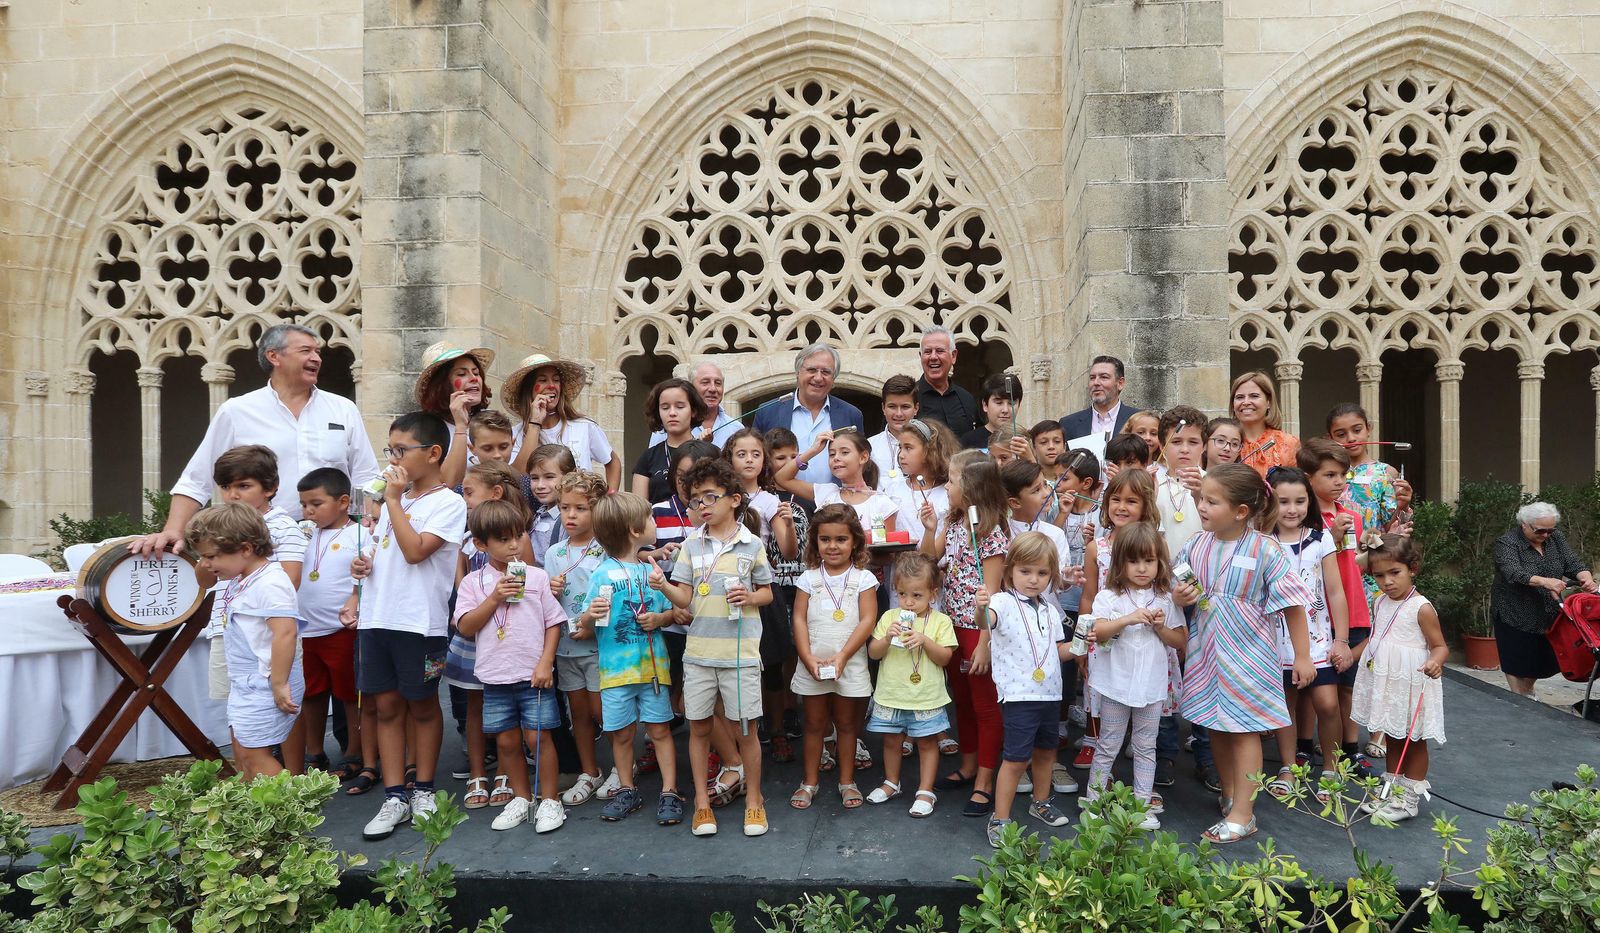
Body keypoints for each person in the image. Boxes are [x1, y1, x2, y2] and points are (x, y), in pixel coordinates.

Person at [136, 323, 378, 554]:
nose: (316, 358)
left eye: (317, 351)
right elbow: (197, 478)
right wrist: (173, 530)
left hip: (333, 540)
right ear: (274, 357)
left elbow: (365, 476)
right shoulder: (237, 410)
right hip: (258, 541)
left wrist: (371, 525)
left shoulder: (343, 408)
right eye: (305, 350)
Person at [1176, 463, 1314, 845]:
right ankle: (1231, 793)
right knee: (1216, 725)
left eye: (1211, 501)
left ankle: (1244, 814)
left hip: (1249, 655)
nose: (1201, 506)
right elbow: (1179, 584)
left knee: (1244, 730)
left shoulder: (1265, 549)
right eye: (1201, 499)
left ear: (1240, 511)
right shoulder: (1195, 544)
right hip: (1207, 651)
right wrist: (1179, 596)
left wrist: (1302, 656)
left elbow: (1293, 606)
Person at [350, 411, 468, 841]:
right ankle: (394, 794)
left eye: (401, 450)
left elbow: (418, 551)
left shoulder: (448, 502)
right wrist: (365, 565)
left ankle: (423, 789)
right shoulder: (391, 505)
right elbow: (392, 553)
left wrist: (394, 502)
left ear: (433, 453)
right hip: (377, 618)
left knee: (421, 704)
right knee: (384, 707)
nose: (393, 459)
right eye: (390, 450)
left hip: (420, 624)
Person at [652, 457, 776, 838]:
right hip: (699, 655)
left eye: (710, 497)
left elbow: (768, 593)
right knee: (698, 728)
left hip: (740, 655)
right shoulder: (691, 544)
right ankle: (702, 805)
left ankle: (754, 800)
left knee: (747, 730)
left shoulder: (751, 544)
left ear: (734, 499)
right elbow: (685, 600)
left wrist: (750, 596)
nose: (702, 505)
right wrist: (663, 586)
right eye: (694, 500)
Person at [454, 500, 568, 833]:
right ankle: (521, 797)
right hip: (495, 676)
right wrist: (494, 597)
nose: (514, 544)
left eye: (517, 535)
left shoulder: (536, 577)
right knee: (505, 742)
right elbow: (465, 626)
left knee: (539, 738)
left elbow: (553, 622)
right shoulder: (473, 583)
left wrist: (546, 662)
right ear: (480, 544)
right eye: (503, 539)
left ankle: (550, 800)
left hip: (534, 675)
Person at [575, 492, 682, 826]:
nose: (654, 524)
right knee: (621, 733)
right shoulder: (601, 575)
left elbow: (674, 613)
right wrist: (589, 615)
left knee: (660, 730)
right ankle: (626, 788)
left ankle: (669, 791)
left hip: (653, 669)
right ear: (635, 531)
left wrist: (660, 620)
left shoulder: (653, 569)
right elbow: (583, 624)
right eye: (649, 519)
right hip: (616, 673)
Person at [187, 503, 303, 782]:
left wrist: (278, 683)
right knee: (242, 752)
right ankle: (255, 813)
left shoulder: (270, 582)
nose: (207, 564)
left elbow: (285, 632)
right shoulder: (243, 577)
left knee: (256, 756)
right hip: (248, 681)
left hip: (266, 681)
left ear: (246, 548)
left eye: (212, 556)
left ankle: (287, 815)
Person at [920, 453, 1009, 817]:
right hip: (951, 627)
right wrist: (929, 529)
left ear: (971, 489)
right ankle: (969, 765)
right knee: (964, 704)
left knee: (986, 707)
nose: (948, 488)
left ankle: (985, 781)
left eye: (953, 482)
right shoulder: (954, 520)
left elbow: (992, 597)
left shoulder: (991, 535)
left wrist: (985, 644)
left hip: (977, 632)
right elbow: (928, 562)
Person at [1082, 523, 1187, 830]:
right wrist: (1127, 619)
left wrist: (1159, 627)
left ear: (1160, 563)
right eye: (1134, 561)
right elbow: (1098, 632)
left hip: (1151, 687)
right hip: (1116, 684)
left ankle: (1141, 807)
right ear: (1120, 563)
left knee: (1145, 746)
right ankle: (1094, 802)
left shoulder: (1165, 598)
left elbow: (1179, 641)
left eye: (1149, 561)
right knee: (1108, 744)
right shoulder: (1109, 596)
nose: (1142, 568)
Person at [976, 531, 1075, 846]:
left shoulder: (1048, 607)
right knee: (1017, 758)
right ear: (1009, 571)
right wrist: (981, 607)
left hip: (1050, 693)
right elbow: (985, 622)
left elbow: (1059, 651)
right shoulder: (1001, 602)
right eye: (1025, 571)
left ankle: (1040, 802)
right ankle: (1000, 818)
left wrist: (1087, 643)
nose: (1034, 579)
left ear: (1052, 575)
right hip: (1018, 695)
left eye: (1042, 573)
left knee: (1046, 752)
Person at [1262, 467, 1349, 805]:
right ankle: (1288, 767)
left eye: (1299, 501)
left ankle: (1330, 767)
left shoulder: (1321, 537)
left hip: (1317, 639)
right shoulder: (1262, 541)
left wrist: (1340, 639)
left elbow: (1335, 591)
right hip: (1274, 640)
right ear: (1271, 501)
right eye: (1283, 501)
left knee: (1327, 703)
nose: (1292, 509)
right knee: (1284, 706)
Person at [788, 504, 878, 811]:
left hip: (849, 663)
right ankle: (809, 781)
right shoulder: (808, 578)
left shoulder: (864, 579)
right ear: (815, 542)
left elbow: (868, 620)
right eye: (825, 539)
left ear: (855, 541)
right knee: (814, 723)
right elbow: (798, 619)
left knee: (847, 724)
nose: (833, 546)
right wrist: (806, 657)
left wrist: (842, 656)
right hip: (812, 663)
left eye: (841, 539)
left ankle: (847, 780)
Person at [1352, 535, 1448, 822]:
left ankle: (1408, 799)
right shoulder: (1380, 602)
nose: (1387, 581)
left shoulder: (1421, 607)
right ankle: (1389, 791)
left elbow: (1441, 646)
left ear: (1413, 568)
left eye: (1395, 573)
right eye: (1379, 575)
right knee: (1392, 735)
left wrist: (1435, 662)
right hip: (1387, 680)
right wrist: (1353, 653)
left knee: (1413, 739)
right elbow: (1377, 637)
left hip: (1411, 681)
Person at [1299, 438, 1376, 772]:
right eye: (1329, 474)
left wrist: (1371, 553)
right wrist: (1328, 534)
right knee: (1311, 688)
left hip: (1353, 608)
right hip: (1317, 612)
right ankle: (1304, 744)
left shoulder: (1351, 517)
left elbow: (1352, 564)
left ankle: (1350, 746)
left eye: (1342, 474)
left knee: (1348, 685)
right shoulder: (1304, 520)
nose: (1339, 482)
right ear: (1308, 476)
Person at [864, 553, 958, 817]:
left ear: (933, 594)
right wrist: (886, 638)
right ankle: (891, 782)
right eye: (903, 594)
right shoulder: (890, 617)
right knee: (891, 741)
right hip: (892, 693)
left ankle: (926, 790)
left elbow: (945, 658)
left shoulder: (940, 621)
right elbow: (873, 653)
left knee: (927, 742)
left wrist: (925, 640)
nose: (908, 602)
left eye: (917, 595)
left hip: (925, 695)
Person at [546, 471, 617, 808]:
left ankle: (621, 765)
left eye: (579, 508)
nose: (570, 515)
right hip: (564, 646)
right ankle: (590, 771)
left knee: (602, 709)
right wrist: (549, 590)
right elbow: (546, 602)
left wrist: (593, 626)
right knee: (579, 714)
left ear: (597, 509)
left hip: (597, 644)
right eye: (564, 508)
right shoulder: (554, 552)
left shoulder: (605, 550)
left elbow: (610, 594)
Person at [295, 468, 364, 783]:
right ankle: (315, 751)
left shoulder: (358, 535)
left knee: (349, 693)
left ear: (343, 502)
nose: (308, 511)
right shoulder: (300, 535)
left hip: (341, 629)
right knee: (311, 692)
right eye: (304, 504)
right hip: (305, 630)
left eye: (316, 504)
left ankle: (354, 750)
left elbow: (364, 578)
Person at [1491, 502, 1598, 696]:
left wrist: (1585, 576)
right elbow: (1512, 572)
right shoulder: (1507, 543)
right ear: (1524, 524)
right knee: (1517, 661)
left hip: (1548, 612)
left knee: (1540, 662)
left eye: (1550, 530)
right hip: (1515, 611)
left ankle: (1525, 695)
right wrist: (1545, 582)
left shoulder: (1555, 538)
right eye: (1540, 531)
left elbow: (1572, 562)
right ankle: (1521, 699)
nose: (1546, 535)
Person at [503, 353, 622, 490]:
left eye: (556, 380)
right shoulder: (515, 433)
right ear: (528, 390)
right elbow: (519, 476)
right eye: (542, 380)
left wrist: (610, 499)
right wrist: (535, 423)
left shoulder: (584, 426)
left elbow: (612, 462)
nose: (552, 386)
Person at [752, 344, 866, 485]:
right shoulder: (768, 412)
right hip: (781, 502)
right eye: (811, 370)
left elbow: (860, 465)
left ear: (834, 378)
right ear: (798, 373)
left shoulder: (851, 415)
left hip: (834, 502)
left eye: (826, 372)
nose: (818, 378)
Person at [776, 428, 899, 536]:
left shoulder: (882, 503)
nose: (836, 458)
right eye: (831, 454)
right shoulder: (826, 493)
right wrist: (812, 451)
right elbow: (782, 478)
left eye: (844, 452)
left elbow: (888, 554)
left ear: (863, 457)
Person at [413, 342, 496, 488]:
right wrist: (460, 427)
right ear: (442, 385)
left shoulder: (490, 422)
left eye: (476, 373)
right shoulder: (424, 430)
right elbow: (448, 483)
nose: (474, 379)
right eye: (462, 374)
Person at [1327, 403, 1412, 535]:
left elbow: (1393, 528)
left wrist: (1403, 506)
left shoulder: (1386, 473)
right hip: (1334, 552)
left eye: (1357, 430)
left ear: (1368, 429)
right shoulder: (1326, 473)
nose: (1351, 438)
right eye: (1341, 434)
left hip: (1373, 552)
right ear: (1330, 438)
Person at [632, 378, 710, 503]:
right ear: (658, 412)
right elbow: (638, 510)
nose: (672, 413)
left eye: (680, 407)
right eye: (665, 407)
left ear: (693, 411)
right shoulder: (648, 458)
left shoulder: (710, 453)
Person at [649, 362, 741, 448]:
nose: (713, 389)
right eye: (705, 382)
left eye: (718, 383)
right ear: (691, 386)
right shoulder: (668, 427)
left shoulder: (736, 428)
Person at [1231, 371, 1299, 477]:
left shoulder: (1288, 443)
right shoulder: (1225, 442)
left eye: (1254, 396)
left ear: (1269, 402)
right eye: (1240, 397)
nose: (1246, 402)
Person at [914, 327, 979, 437]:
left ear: (953, 356)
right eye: (928, 352)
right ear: (921, 356)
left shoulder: (966, 399)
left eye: (940, 351)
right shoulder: (909, 397)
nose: (933, 357)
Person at [1059, 356, 1138, 442]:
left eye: (1104, 377)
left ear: (1120, 383)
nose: (1096, 383)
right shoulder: (1069, 424)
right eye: (1092, 378)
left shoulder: (1138, 419)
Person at [526, 444, 575, 568]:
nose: (540, 485)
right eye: (534, 478)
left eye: (549, 477)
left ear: (571, 475)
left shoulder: (569, 520)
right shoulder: (536, 515)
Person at [870, 374, 920, 488]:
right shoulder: (869, 446)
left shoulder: (929, 445)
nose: (898, 414)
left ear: (916, 408)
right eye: (892, 406)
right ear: (883, 408)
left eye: (905, 407)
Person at [961, 373, 1023, 450]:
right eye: (999, 403)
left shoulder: (1024, 440)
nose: (1005, 410)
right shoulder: (969, 441)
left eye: (1011, 403)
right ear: (985, 405)